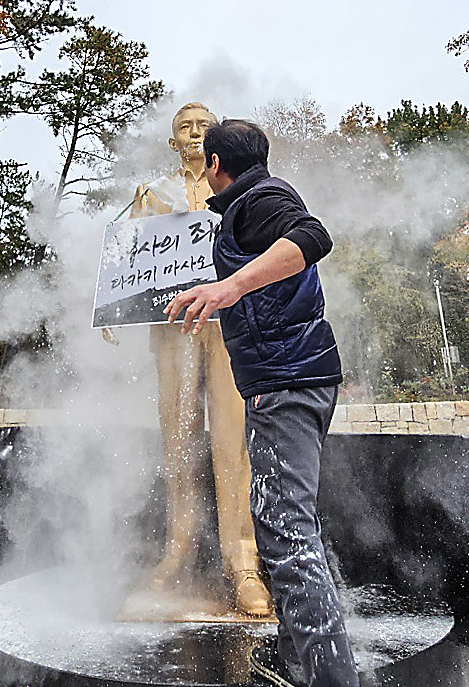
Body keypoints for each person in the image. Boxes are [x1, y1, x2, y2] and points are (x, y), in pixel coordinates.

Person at [164, 119, 359, 687]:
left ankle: (329, 679)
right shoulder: (241, 209)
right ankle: (303, 667)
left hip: (288, 381)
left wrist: (227, 288)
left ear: (215, 164)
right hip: (284, 381)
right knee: (282, 528)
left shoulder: (262, 197)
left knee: (287, 533)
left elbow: (312, 237)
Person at [130, 103, 272, 616]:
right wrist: (109, 312)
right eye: (183, 127)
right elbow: (127, 264)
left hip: (228, 326)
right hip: (172, 329)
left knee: (234, 443)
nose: (193, 133)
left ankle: (243, 560)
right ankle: (178, 548)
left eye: (201, 126)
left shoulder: (239, 191)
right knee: (178, 439)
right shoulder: (151, 195)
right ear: (172, 143)